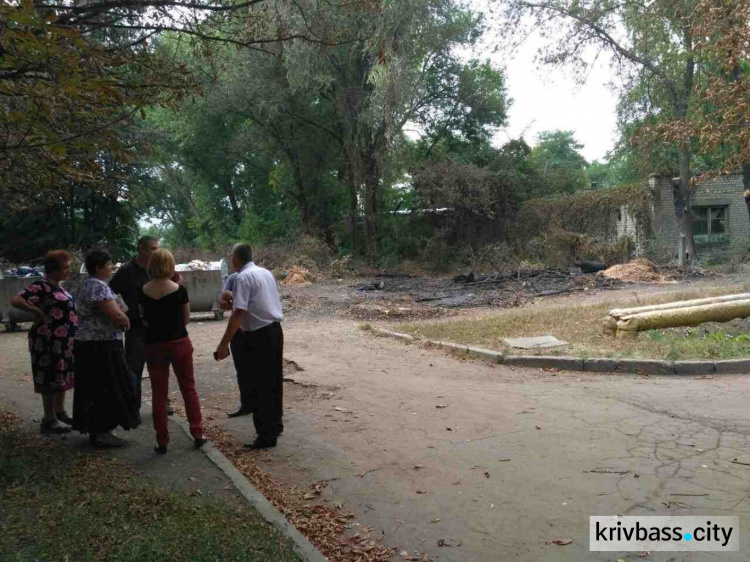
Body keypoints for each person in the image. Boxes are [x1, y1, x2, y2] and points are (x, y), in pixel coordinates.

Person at [215, 244, 284, 449]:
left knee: (260, 384)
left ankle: (265, 435)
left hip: (259, 336)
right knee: (272, 381)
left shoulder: (243, 278)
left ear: (235, 258)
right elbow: (252, 303)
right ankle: (275, 424)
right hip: (274, 330)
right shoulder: (264, 272)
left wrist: (223, 344)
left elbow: (238, 314)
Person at [73, 249, 140, 448]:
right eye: (109, 264)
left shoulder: (84, 284)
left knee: (92, 387)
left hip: (87, 343)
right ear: (98, 267)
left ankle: (96, 429)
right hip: (101, 345)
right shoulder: (99, 287)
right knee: (106, 387)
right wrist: (126, 320)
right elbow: (117, 316)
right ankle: (102, 432)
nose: (111, 267)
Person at [141, 249, 206, 454]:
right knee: (188, 388)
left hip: (154, 345)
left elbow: (144, 319)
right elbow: (185, 319)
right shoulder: (179, 290)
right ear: (170, 266)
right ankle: (197, 433)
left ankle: (162, 440)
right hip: (179, 343)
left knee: (159, 393)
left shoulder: (143, 291)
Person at [10, 250, 78, 434]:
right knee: (49, 377)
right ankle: (49, 419)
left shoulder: (58, 286)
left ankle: (60, 412)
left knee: (60, 375)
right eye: (64, 268)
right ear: (54, 270)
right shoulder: (41, 285)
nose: (68, 271)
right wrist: (36, 312)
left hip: (63, 341)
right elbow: (16, 299)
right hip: (47, 341)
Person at [109, 235, 173, 415]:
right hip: (136, 329)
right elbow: (110, 294)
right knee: (134, 369)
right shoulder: (126, 271)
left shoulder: (159, 269)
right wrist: (122, 313)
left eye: (157, 248)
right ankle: (133, 407)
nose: (156, 252)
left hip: (158, 328)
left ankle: (163, 402)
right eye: (153, 248)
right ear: (141, 248)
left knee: (160, 367)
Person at [218, 272, 257, 418]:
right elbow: (222, 302)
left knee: (259, 369)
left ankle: (262, 405)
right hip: (239, 330)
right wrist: (237, 299)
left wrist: (235, 299)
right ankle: (247, 404)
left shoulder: (258, 276)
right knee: (242, 369)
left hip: (255, 329)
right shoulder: (234, 278)